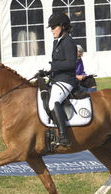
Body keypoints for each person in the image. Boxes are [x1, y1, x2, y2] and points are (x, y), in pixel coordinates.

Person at [47, 12, 77, 147]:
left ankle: (64, 136)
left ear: (62, 26)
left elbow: (71, 64)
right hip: (57, 79)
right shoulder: (57, 42)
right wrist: (47, 71)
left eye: (54, 27)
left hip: (66, 80)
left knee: (53, 102)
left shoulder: (69, 42)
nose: (52, 30)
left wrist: (53, 66)